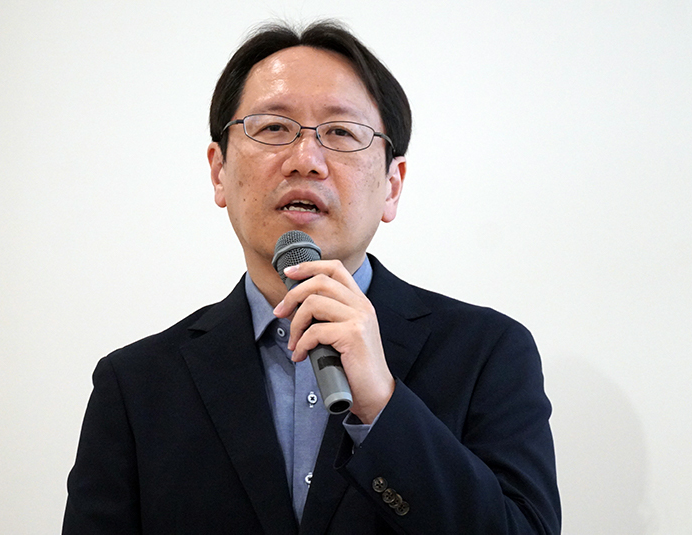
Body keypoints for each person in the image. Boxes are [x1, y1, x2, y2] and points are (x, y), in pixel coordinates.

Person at [63, 20, 561, 534]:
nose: (305, 160)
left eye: (341, 132)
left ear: (392, 186)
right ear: (219, 172)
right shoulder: (136, 385)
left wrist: (383, 406)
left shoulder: (487, 353)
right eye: (273, 128)